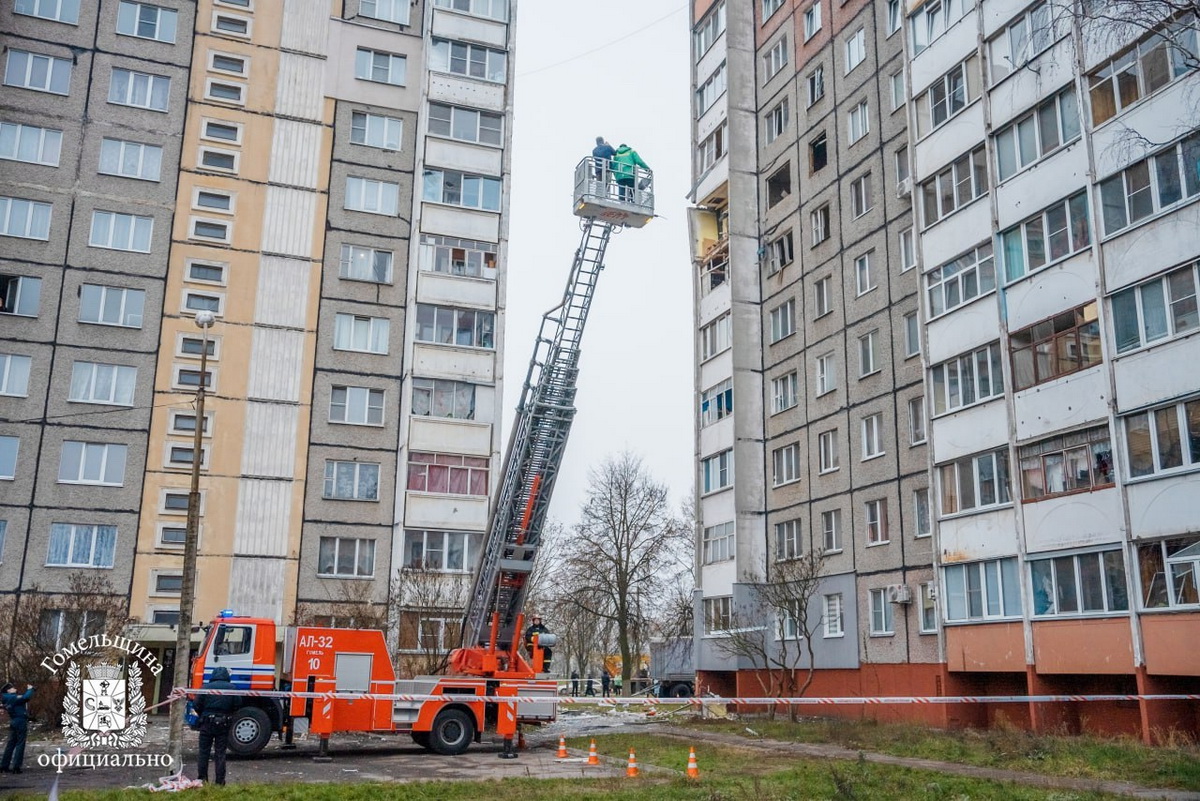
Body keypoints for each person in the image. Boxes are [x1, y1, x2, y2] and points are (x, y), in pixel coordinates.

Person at [194, 667, 241, 786]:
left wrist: (203, 714)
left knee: (204, 752)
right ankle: (220, 782)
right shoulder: (232, 688)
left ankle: (202, 780)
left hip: (206, 723)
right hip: (223, 724)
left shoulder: (205, 688)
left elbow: (196, 705)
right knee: (220, 753)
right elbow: (238, 704)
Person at [0, 682, 33, 774]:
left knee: (10, 744)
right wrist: (30, 689)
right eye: (12, 688)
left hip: (14, 721)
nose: (15, 688)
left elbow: (22, 700)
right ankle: (16, 766)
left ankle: (4, 765)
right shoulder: (11, 697)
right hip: (20, 721)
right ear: (8, 690)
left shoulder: (6, 698)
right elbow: (24, 698)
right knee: (20, 743)